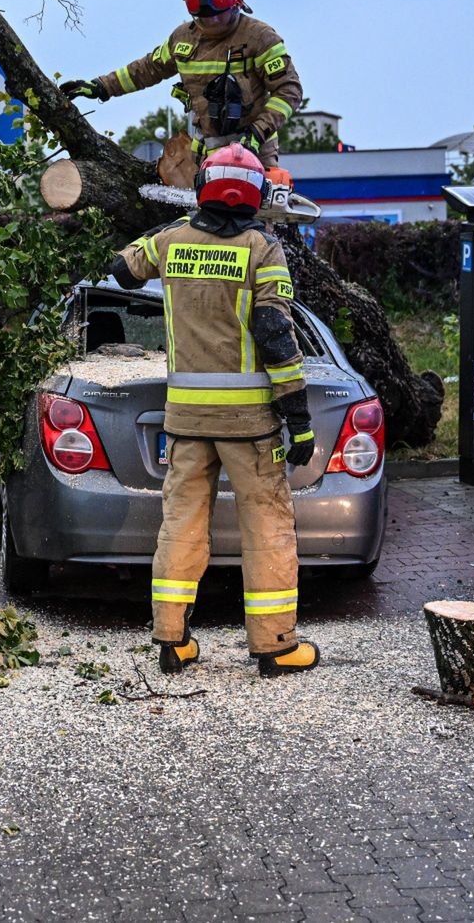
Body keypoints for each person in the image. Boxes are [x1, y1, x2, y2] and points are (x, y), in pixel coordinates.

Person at [108, 145, 320, 677]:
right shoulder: (262, 249)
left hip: (185, 422)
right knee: (266, 527)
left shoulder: (171, 240)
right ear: (255, 195)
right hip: (250, 426)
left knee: (180, 525)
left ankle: (172, 640)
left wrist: (171, 230)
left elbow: (121, 270)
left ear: (203, 187)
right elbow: (275, 333)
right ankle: (275, 645)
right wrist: (298, 418)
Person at [61, 0, 302, 190]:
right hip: (205, 154)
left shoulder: (259, 38)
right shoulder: (183, 39)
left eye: (219, 15)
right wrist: (102, 86)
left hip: (252, 153)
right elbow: (147, 68)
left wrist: (258, 132)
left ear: (237, 3)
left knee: (252, 215)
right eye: (203, 18)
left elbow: (289, 90)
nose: (211, 22)